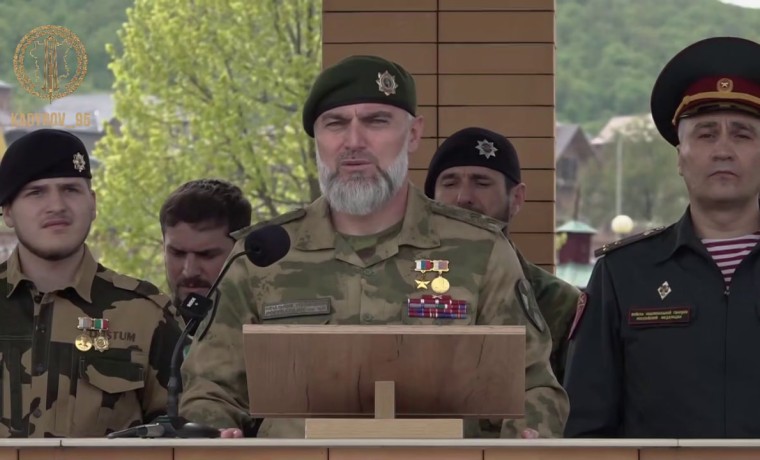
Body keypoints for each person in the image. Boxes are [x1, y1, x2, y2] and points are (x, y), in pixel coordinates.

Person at [179, 55, 568, 439]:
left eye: (376, 121)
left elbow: (532, 386)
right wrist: (216, 433)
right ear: (317, 140)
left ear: (413, 134)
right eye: (335, 124)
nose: (353, 142)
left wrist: (525, 441)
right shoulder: (262, 255)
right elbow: (210, 387)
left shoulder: (480, 250)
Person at [564, 36, 760, 438]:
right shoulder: (623, 274)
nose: (723, 150)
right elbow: (586, 427)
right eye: (706, 134)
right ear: (680, 158)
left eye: (742, 135)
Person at [0, 129, 182, 437]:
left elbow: (182, 435)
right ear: (7, 212)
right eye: (36, 192)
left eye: (71, 189)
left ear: (93, 203)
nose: (57, 205)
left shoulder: (146, 313)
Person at [424, 127, 580, 383]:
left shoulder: (557, 302)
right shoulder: (400, 284)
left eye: (481, 183)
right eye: (450, 183)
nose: (463, 198)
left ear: (516, 198)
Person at [160, 179, 252, 310]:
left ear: (241, 251)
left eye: (206, 255)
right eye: (178, 253)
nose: (189, 271)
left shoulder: (270, 317)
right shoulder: (142, 319)